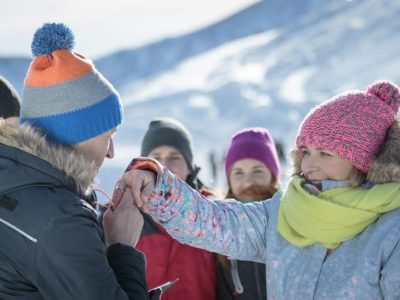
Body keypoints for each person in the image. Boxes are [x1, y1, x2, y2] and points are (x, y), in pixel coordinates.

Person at [114, 80, 400, 299]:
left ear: (363, 162)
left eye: (325, 153)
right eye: (305, 151)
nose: (309, 165)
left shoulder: (391, 230)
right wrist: (157, 183)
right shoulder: (284, 212)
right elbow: (209, 221)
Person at [0, 23, 148, 299]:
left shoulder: (13, 181)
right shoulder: (59, 221)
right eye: (107, 135)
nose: (111, 152)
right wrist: (122, 246)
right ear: (76, 136)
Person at [133, 118, 218, 300]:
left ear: (190, 166)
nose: (164, 166)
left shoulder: (213, 210)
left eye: (174, 157)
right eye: (155, 158)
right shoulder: (125, 215)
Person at [217, 127, 280, 300]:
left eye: (258, 171)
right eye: (238, 173)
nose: (248, 182)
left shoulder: (293, 217)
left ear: (273, 176)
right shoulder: (220, 226)